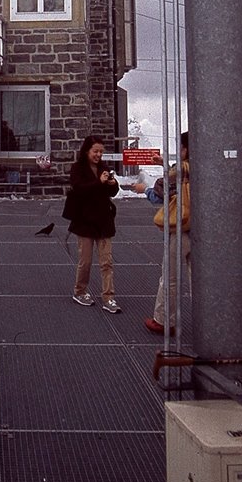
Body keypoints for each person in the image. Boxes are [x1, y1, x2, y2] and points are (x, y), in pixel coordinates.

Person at [133, 132, 191, 335]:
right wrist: (164, 164)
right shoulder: (207, 168)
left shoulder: (180, 171)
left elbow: (160, 195)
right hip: (206, 230)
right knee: (201, 277)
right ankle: (210, 320)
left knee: (170, 276)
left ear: (185, 149)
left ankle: (163, 320)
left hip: (181, 227)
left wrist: (145, 188)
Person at [66, 134, 121, 314]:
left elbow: (112, 192)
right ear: (87, 151)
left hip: (104, 220)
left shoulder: (103, 167)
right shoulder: (77, 168)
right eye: (95, 151)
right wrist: (99, 183)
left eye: (101, 152)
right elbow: (80, 189)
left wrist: (113, 184)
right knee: (86, 260)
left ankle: (109, 297)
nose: (98, 155)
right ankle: (80, 291)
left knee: (107, 261)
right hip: (85, 221)